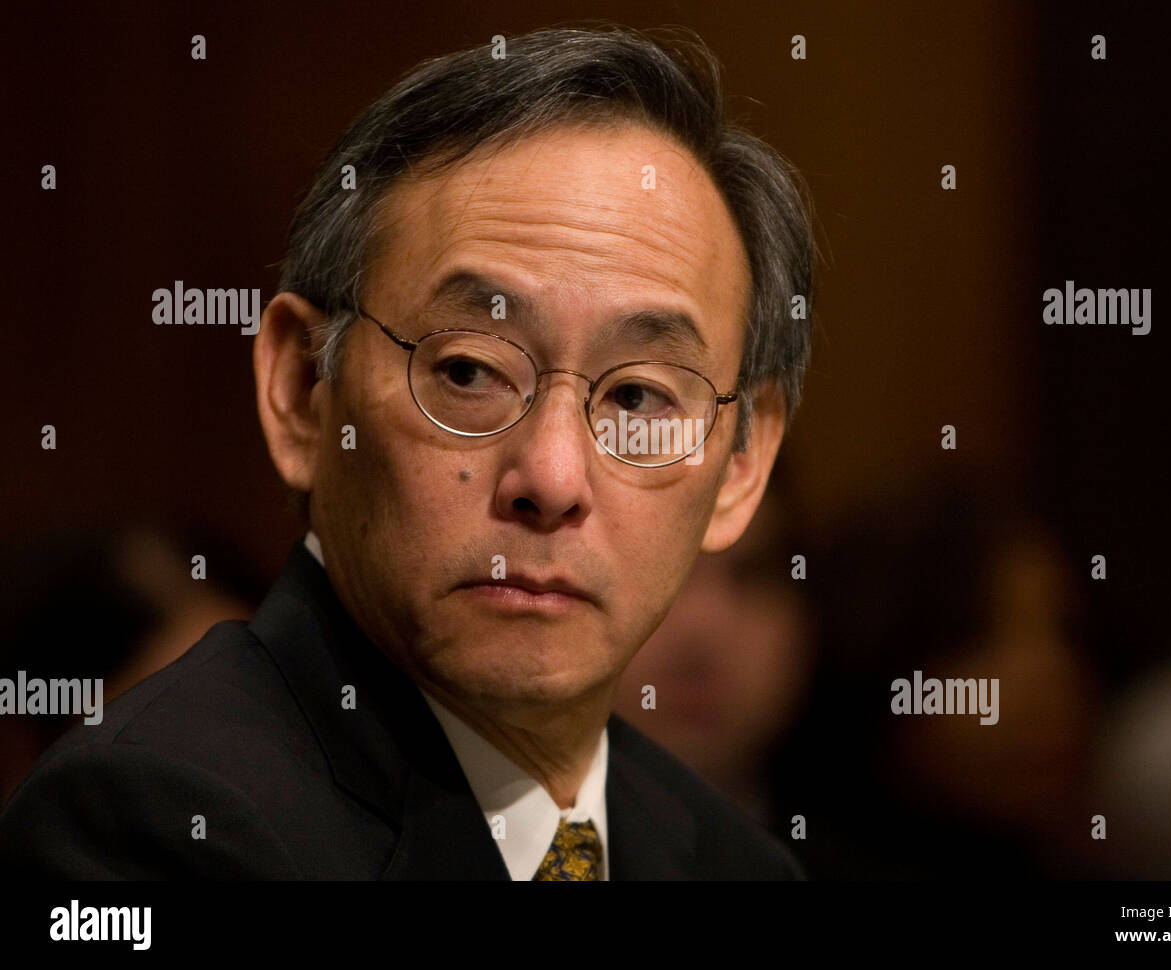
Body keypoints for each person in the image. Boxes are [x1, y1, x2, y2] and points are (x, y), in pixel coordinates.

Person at [0, 24, 815, 880]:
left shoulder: (737, 867)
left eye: (639, 397)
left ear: (741, 464)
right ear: (302, 390)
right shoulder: (151, 826)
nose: (553, 477)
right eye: (471, 371)